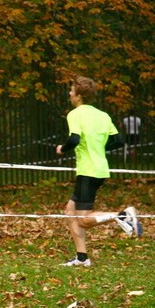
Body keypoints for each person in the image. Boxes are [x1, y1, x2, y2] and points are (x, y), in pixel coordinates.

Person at [55, 75, 142, 267]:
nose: (70, 93)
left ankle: (121, 215)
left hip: (88, 171)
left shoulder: (75, 114)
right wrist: (99, 148)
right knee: (70, 211)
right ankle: (82, 258)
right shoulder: (103, 115)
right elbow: (119, 141)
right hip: (100, 169)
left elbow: (74, 139)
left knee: (83, 220)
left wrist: (62, 148)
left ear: (79, 95)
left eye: (71, 90)